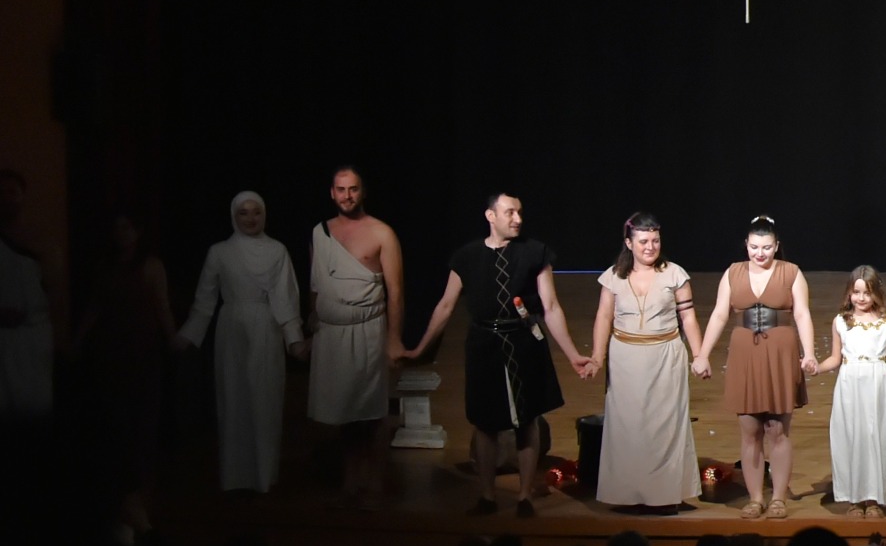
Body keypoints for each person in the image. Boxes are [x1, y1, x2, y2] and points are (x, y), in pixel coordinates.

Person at [401, 191, 591, 517]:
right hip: (484, 344)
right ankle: (487, 495)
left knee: (527, 420)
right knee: (485, 422)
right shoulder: (467, 256)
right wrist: (421, 348)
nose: (517, 219)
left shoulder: (535, 253)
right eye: (509, 212)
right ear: (491, 216)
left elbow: (550, 307)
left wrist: (572, 354)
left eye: (519, 212)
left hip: (524, 343)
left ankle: (524, 496)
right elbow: (446, 306)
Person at [176, 191, 305, 493]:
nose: (250, 218)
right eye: (243, 213)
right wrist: (187, 334)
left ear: (264, 215)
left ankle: (263, 476)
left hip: (265, 328)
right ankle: (235, 477)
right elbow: (205, 300)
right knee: (233, 399)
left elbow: (285, 299)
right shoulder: (219, 252)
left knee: (264, 398)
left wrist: (294, 339)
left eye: (256, 212)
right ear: (234, 216)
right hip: (231, 329)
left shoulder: (277, 251)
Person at [696, 216, 818, 521]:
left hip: (780, 353)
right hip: (745, 354)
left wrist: (809, 353)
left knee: (777, 429)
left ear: (776, 246)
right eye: (754, 247)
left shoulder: (791, 272)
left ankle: (778, 498)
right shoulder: (733, 272)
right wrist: (702, 354)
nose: (759, 253)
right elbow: (719, 315)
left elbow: (802, 314)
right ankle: (755, 498)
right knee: (750, 430)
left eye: (765, 247)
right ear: (746, 245)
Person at [589, 211, 707, 512]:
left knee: (664, 426)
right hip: (625, 358)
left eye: (655, 240)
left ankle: (664, 495)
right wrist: (597, 357)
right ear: (629, 243)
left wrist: (699, 355)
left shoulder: (675, 274)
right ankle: (628, 494)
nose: (650, 247)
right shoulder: (613, 276)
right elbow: (603, 316)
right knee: (628, 427)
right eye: (643, 241)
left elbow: (688, 318)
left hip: (665, 356)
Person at [305, 167, 405, 506]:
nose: (347, 196)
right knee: (345, 412)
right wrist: (312, 325)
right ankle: (350, 482)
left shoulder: (382, 233)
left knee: (371, 411)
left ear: (363, 192)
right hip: (332, 333)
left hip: (368, 330)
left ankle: (373, 483)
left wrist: (393, 339)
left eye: (353, 189)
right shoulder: (320, 233)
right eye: (341, 189)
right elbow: (316, 285)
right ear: (331, 193)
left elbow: (396, 292)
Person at [78, 211, 176, 532]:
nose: (121, 233)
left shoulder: (150, 266)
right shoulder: (104, 267)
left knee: (142, 425)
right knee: (114, 424)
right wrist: (77, 341)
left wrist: (173, 339)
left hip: (142, 353)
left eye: (126, 227)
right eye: (116, 228)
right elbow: (95, 307)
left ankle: (142, 498)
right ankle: (120, 500)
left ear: (138, 231)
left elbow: (162, 304)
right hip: (110, 354)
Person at [817, 265, 886, 516]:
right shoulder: (841, 322)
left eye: (867, 293)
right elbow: (835, 358)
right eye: (856, 292)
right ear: (849, 293)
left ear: (876, 294)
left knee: (876, 437)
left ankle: (873, 498)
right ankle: (854, 498)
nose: (861, 298)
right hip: (850, 384)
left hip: (877, 384)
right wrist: (816, 368)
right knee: (852, 436)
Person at [0, 169, 57, 418]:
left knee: (34, 411)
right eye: (1, 192)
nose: (6, 197)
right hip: (2, 336)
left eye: (12, 191)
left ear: (23, 196)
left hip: (33, 334)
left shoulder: (39, 238)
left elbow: (52, 289)